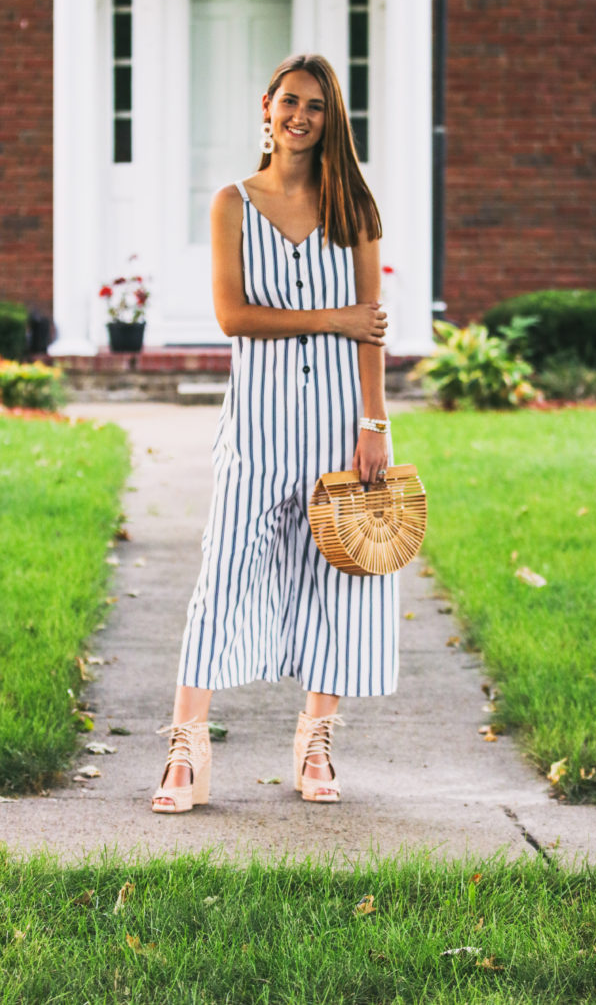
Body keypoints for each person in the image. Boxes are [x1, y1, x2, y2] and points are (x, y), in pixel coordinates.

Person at [152, 53, 399, 814]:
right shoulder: (233, 202)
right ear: (266, 107)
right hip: (257, 427)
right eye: (289, 102)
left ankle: (316, 740)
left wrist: (374, 423)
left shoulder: (354, 206)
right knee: (225, 570)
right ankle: (187, 745)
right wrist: (334, 319)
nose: (300, 116)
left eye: (316, 107)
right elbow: (234, 319)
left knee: (341, 572)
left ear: (332, 120)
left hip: (337, 424)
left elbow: (373, 332)